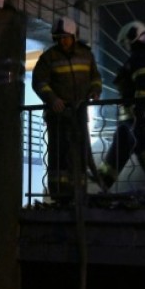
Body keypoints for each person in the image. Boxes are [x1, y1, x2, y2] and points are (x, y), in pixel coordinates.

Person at [31, 16, 103, 202]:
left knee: (80, 153)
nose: (62, 41)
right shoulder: (49, 58)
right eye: (58, 37)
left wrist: (95, 90)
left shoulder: (86, 54)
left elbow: (95, 77)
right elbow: (39, 82)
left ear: (73, 36)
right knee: (59, 154)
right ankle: (59, 193)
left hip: (79, 112)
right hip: (58, 115)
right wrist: (52, 98)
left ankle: (79, 192)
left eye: (65, 37)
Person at [96, 20, 145, 193]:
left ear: (132, 37)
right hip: (135, 117)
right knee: (122, 145)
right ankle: (102, 180)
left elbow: (144, 86)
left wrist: (139, 114)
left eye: (125, 43)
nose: (126, 47)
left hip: (138, 116)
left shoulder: (141, 57)